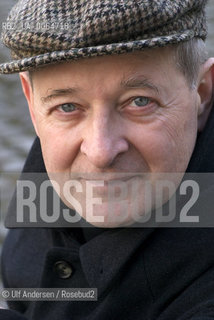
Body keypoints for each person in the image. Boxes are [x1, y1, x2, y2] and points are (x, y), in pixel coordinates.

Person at [1, 0, 214, 319]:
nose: (100, 152)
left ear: (202, 91)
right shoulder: (52, 168)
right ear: (33, 105)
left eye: (140, 102)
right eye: (68, 107)